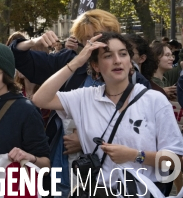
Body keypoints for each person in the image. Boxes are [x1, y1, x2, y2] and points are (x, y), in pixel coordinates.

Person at [33, 32, 183, 196]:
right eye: (108, 55)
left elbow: (175, 160)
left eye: (123, 54)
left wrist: (135, 155)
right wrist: (76, 62)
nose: (117, 60)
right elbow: (40, 99)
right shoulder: (85, 97)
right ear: (96, 65)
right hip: (99, 191)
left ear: (130, 62)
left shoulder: (154, 100)